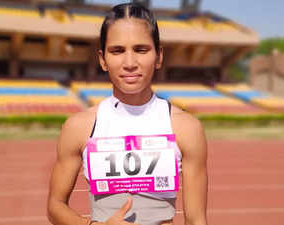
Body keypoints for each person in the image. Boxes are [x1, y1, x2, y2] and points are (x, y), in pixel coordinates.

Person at [47, 3, 208, 225]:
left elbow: (197, 220)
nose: (130, 63)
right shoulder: (79, 127)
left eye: (141, 50)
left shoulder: (186, 128)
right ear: (103, 59)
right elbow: (55, 206)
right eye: (117, 51)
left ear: (159, 56)